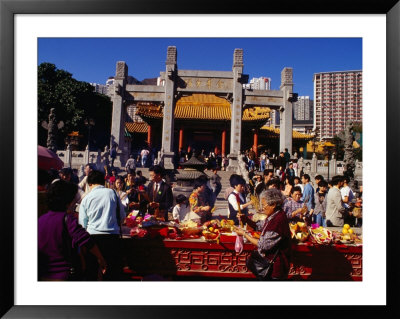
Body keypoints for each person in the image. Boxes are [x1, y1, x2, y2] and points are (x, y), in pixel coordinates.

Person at [39, 180, 106, 281]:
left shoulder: (40, 220)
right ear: (67, 201)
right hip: (65, 274)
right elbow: (86, 240)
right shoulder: (67, 219)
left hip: (43, 275)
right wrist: (101, 259)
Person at [234, 188, 292, 280]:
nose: (262, 208)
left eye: (264, 205)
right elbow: (259, 225)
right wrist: (246, 219)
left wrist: (244, 234)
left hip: (275, 267)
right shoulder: (274, 215)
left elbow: (263, 244)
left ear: (273, 205)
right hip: (270, 263)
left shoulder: (278, 220)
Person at [78, 170, 126, 280]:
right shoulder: (113, 193)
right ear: (103, 182)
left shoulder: (86, 198)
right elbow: (122, 217)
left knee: (93, 271)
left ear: (89, 184)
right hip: (112, 237)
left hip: (92, 240)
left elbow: (82, 225)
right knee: (112, 272)